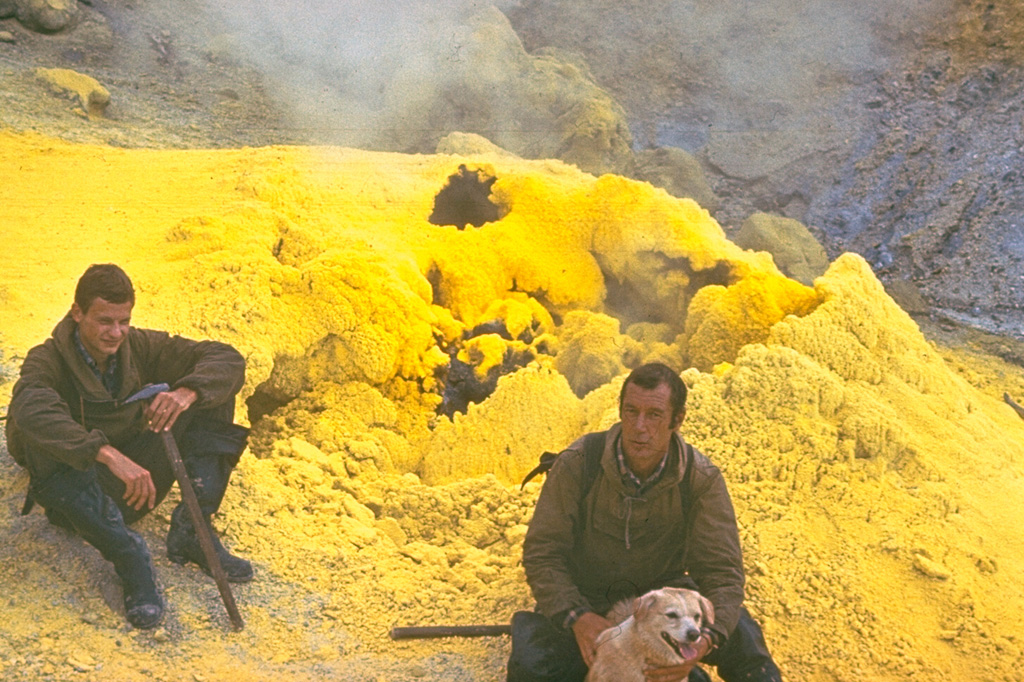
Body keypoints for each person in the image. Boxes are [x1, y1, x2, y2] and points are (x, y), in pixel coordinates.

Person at [6, 264, 253, 629]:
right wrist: (104, 453)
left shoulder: (137, 345)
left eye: (124, 320)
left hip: (137, 480)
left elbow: (225, 357)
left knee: (210, 393)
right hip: (80, 493)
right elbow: (30, 408)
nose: (116, 332)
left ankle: (192, 530)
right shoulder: (47, 359)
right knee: (43, 442)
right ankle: (130, 559)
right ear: (77, 313)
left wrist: (187, 392)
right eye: (105, 321)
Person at [508, 362, 782, 682]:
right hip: (588, 596)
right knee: (532, 665)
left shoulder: (699, 478)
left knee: (743, 639)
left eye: (653, 415)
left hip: (662, 603)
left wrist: (701, 644)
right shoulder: (580, 462)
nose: (639, 427)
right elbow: (543, 551)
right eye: (631, 411)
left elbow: (722, 574)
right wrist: (579, 618)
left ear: (676, 420)